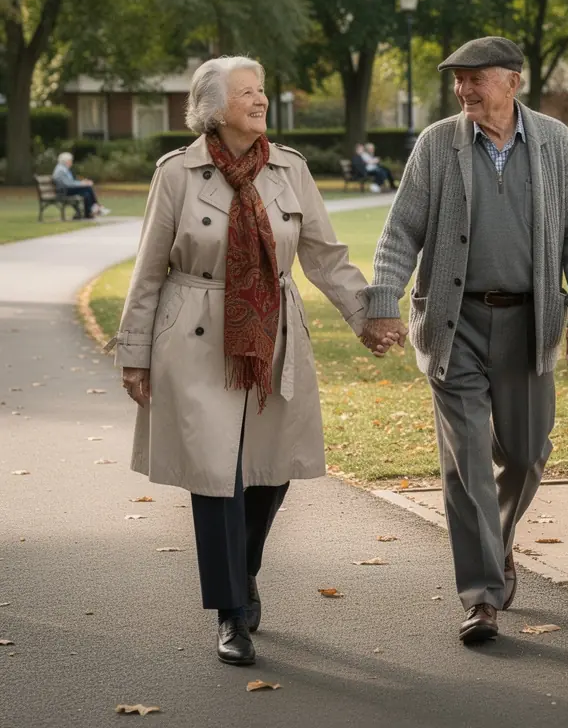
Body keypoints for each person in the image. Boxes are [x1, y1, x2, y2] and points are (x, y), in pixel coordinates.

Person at [106, 56, 381, 667]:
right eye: (246, 93)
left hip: (273, 336)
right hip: (194, 338)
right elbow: (150, 267)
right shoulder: (177, 174)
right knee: (216, 476)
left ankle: (246, 567)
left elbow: (325, 257)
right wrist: (135, 353)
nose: (260, 101)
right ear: (214, 107)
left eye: (261, 91)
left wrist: (367, 317)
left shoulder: (289, 170)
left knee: (269, 472)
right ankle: (231, 612)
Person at [361, 35, 568, 645]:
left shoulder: (555, 142)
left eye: (476, 78)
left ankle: (498, 540)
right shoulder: (438, 144)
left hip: (530, 322)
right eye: (458, 80)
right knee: (467, 461)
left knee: (524, 454)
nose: (464, 89)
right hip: (454, 323)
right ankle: (482, 595)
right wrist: (383, 300)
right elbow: (400, 232)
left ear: (513, 80)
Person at [52, 152, 110, 217]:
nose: (71, 162)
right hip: (63, 192)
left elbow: (70, 182)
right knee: (87, 187)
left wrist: (82, 183)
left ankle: (88, 213)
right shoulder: (61, 170)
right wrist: (82, 183)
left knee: (86, 194)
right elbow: (68, 184)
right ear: (66, 161)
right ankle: (96, 207)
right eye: (70, 161)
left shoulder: (63, 168)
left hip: (66, 190)